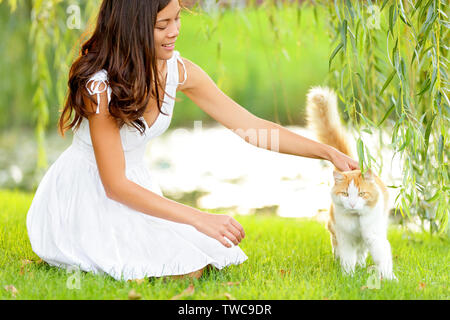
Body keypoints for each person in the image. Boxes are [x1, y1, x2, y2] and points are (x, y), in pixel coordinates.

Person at [26, 0, 358, 282]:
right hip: (88, 191)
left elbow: (251, 126)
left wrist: (325, 151)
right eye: (162, 25)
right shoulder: (99, 88)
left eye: (177, 19)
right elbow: (115, 185)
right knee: (180, 266)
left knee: (205, 257)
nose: (174, 31)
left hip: (137, 187)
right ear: (133, 28)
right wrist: (200, 217)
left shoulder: (178, 71)